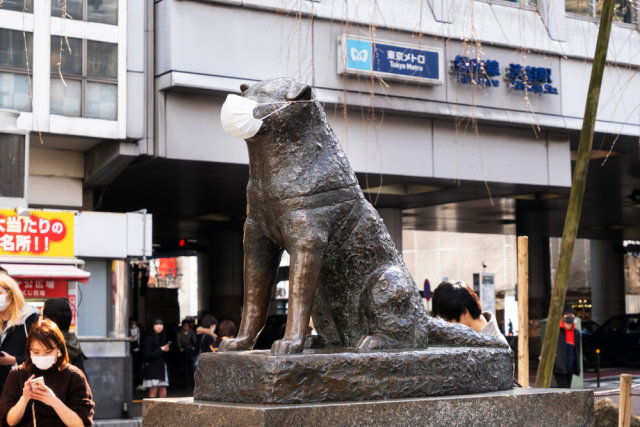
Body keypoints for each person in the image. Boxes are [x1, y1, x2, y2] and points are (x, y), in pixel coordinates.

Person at [0, 319, 94, 426]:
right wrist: (24, 399)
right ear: (29, 350)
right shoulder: (17, 375)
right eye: (36, 352)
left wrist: (54, 401)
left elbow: (81, 423)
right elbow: (9, 421)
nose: (41, 356)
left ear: (58, 348)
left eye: (48, 352)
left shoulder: (74, 376)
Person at [431, 280, 508, 345]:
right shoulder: (470, 338)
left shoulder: (496, 346)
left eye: (447, 320)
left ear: (465, 313)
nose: (445, 326)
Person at [0, 273, 40, 391]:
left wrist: (13, 360)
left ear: (11, 294)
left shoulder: (30, 319)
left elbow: (41, 356)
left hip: (21, 389)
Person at [42, 298, 87, 372]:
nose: (38, 320)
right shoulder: (73, 342)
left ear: (48, 321)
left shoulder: (50, 346)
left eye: (40, 315)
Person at [553, 307, 581, 388]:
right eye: (566, 315)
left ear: (574, 317)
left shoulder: (576, 333)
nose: (569, 317)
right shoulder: (557, 331)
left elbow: (577, 351)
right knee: (565, 389)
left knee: (567, 389)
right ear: (562, 317)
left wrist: (576, 366)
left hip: (570, 367)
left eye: (571, 315)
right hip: (559, 367)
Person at [142, 319, 170, 398]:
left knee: (163, 388)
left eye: (161, 324)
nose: (160, 326)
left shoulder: (161, 337)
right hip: (152, 367)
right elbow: (147, 354)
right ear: (152, 326)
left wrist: (166, 350)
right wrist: (161, 350)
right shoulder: (148, 338)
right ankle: (151, 410)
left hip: (161, 366)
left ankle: (163, 409)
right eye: (157, 324)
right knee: (154, 389)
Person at [175, 319, 196, 388]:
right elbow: (178, 342)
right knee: (182, 367)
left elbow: (194, 342)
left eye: (187, 326)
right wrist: (180, 347)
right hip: (183, 350)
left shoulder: (191, 332)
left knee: (191, 367)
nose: (186, 327)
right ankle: (183, 382)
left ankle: (191, 383)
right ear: (182, 326)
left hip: (190, 350)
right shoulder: (179, 333)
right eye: (185, 326)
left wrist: (193, 348)